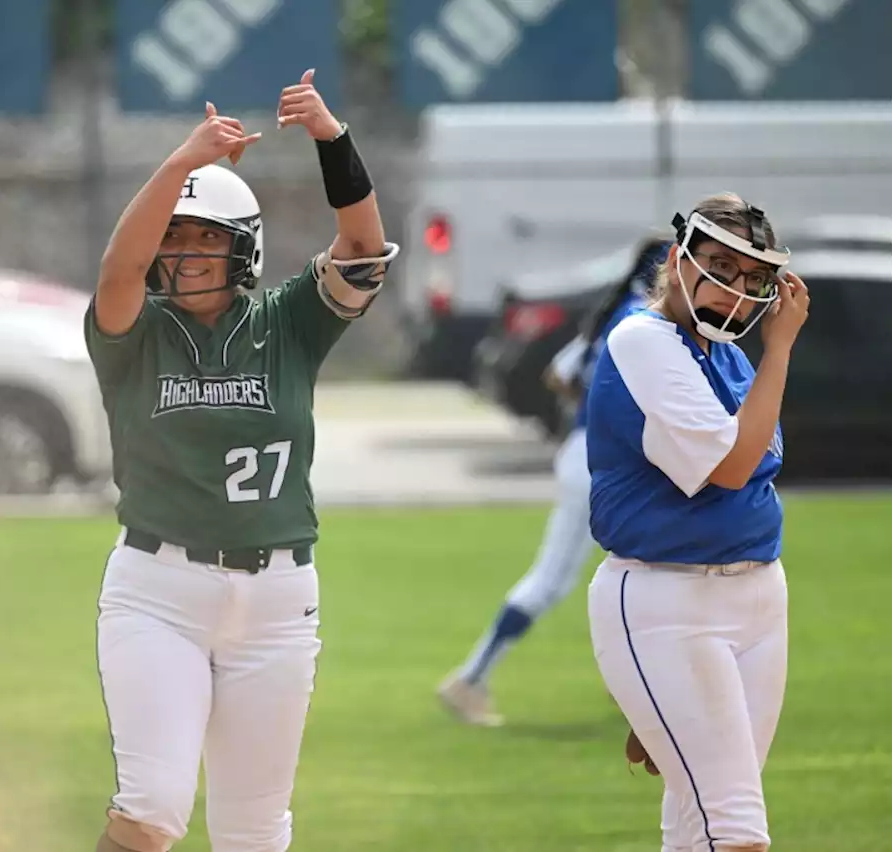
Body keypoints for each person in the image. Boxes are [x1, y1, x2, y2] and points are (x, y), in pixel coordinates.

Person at [86, 70, 398, 852]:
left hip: (278, 600)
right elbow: (117, 273)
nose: (184, 253)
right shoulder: (136, 329)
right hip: (159, 590)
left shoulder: (289, 321)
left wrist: (333, 139)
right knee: (151, 808)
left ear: (244, 248)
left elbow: (362, 248)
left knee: (255, 830)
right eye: (175, 237)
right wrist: (179, 164)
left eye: (204, 237)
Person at [583, 194, 809, 851]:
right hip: (670, 598)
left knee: (697, 826)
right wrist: (783, 347)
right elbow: (736, 466)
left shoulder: (726, 352)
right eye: (718, 265)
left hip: (758, 596)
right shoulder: (643, 338)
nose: (734, 288)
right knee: (738, 832)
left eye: (752, 276)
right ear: (679, 261)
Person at [438, 236, 671, 726]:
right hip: (602, 463)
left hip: (588, 454)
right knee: (557, 580)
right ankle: (470, 678)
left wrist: (589, 405)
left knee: (650, 568)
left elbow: (558, 374)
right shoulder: (646, 321)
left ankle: (638, 681)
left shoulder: (613, 315)